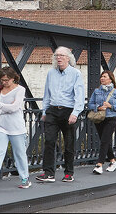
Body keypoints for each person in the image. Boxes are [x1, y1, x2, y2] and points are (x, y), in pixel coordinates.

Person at [37, 46, 86, 183]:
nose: (58, 58)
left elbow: (79, 95)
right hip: (52, 110)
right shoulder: (51, 73)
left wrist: (75, 113)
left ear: (68, 58)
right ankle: (48, 173)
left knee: (69, 143)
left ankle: (69, 172)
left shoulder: (75, 73)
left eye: (61, 56)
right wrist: (45, 111)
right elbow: (47, 94)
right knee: (49, 141)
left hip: (68, 111)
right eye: (56, 55)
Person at [0, 67, 31, 190]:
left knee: (19, 154)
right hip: (1, 126)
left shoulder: (20, 90)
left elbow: (15, 107)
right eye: (2, 80)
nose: (4, 82)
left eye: (6, 80)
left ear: (13, 79)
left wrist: (1, 106)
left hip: (17, 127)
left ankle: (25, 178)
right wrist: (7, 106)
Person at [86, 69, 116, 174]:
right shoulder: (96, 91)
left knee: (104, 140)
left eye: (105, 77)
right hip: (99, 118)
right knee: (105, 141)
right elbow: (90, 104)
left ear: (110, 79)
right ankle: (113, 162)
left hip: (111, 118)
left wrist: (111, 106)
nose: (102, 78)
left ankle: (99, 165)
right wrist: (98, 107)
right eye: (101, 76)